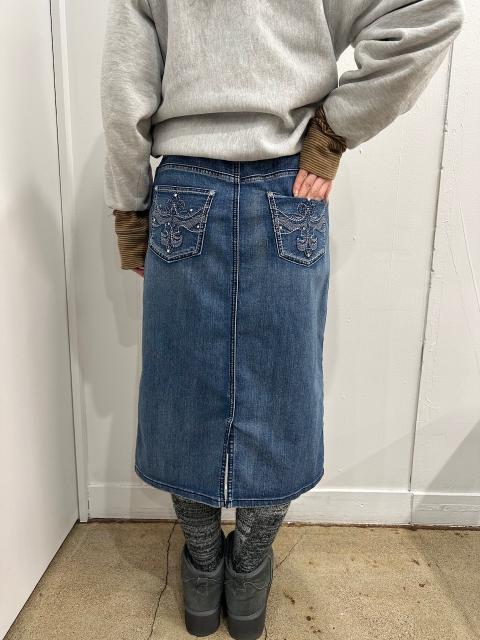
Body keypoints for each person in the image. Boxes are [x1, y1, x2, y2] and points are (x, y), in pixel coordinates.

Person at [100, 1, 465, 638]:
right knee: (283, 393)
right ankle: (248, 570)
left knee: (180, 391)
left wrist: (131, 212)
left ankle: (204, 566)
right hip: (287, 191)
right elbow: (429, 13)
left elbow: (124, 91)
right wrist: (332, 131)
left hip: (187, 189)